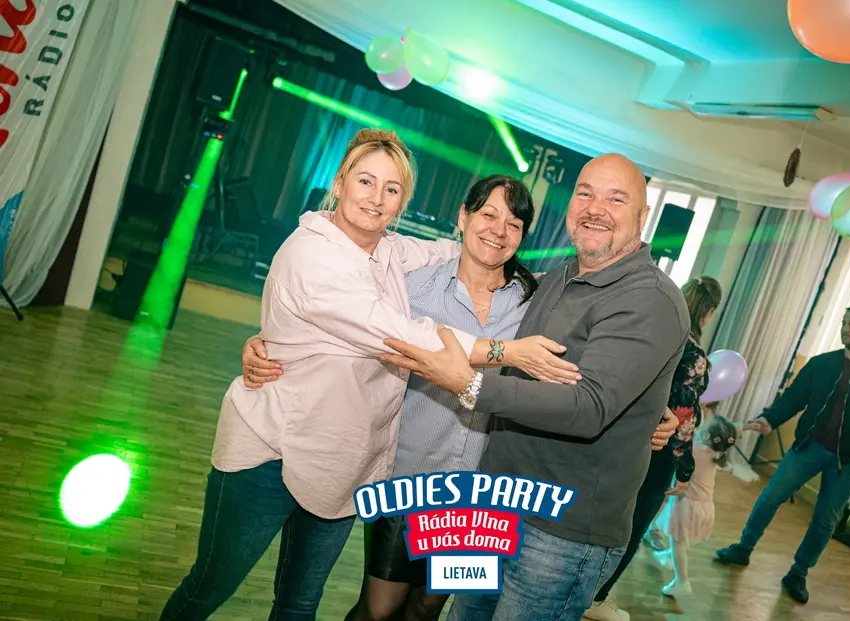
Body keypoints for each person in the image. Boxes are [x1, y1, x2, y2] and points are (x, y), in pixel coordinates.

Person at [159, 130, 579, 620]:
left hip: (453, 489)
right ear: (339, 183)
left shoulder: (509, 293)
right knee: (362, 609)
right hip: (364, 471)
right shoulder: (400, 282)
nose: (377, 198)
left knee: (409, 607)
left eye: (391, 189)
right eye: (365, 181)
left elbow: (569, 314)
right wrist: (511, 352)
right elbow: (399, 334)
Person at [241, 174, 680, 621]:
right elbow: (346, 325)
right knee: (380, 609)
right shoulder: (412, 287)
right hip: (410, 480)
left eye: (514, 224)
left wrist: (648, 407)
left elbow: (602, 362)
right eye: (488, 214)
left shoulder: (536, 296)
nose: (498, 230)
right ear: (463, 217)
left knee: (429, 605)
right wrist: (267, 343)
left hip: (482, 496)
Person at [380, 153, 691, 621]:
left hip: (561, 534)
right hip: (492, 506)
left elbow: (589, 406)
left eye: (616, 199)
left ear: (643, 216)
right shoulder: (558, 278)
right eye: (585, 193)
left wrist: (470, 384)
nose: (595, 208)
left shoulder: (650, 297)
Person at [715, 305, 850, 604]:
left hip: (849, 461)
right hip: (809, 446)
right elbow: (794, 397)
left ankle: (798, 573)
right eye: (844, 323)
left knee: (825, 521)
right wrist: (771, 419)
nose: (846, 329)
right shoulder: (822, 364)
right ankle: (743, 548)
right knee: (770, 497)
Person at [583, 275, 722, 621]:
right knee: (633, 526)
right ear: (708, 314)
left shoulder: (652, 335)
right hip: (658, 449)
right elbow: (684, 419)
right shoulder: (694, 356)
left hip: (620, 436)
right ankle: (596, 598)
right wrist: (685, 470)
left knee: (603, 515)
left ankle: (579, 586)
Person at [653, 413, 737, 597]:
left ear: (706, 436)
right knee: (681, 538)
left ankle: (682, 581)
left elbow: (680, 442)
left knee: (678, 541)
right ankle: (670, 556)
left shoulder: (697, 450)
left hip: (689, 506)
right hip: (703, 506)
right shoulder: (717, 452)